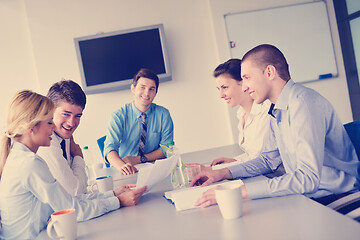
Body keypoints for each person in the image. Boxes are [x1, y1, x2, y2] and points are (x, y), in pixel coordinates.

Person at [191, 44, 360, 208]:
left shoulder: (303, 104)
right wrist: (222, 173)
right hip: (309, 195)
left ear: (269, 72)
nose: (245, 87)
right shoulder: (277, 108)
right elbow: (268, 160)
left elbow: (307, 178)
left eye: (247, 78)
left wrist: (239, 191)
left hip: (336, 196)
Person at [0, 90, 147, 239]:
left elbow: (68, 201)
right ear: (32, 128)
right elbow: (73, 209)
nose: (53, 127)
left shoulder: (20, 158)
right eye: (50, 122)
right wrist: (119, 202)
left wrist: (113, 194)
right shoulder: (29, 163)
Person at [194, 58, 271, 172]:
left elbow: (260, 161)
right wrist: (234, 161)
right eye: (218, 89)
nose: (221, 95)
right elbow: (251, 155)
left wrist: (215, 169)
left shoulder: (266, 112)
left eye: (225, 87)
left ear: (243, 82)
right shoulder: (241, 113)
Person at [104, 68, 174, 175]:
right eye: (142, 87)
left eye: (152, 89)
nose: (147, 93)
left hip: (154, 170)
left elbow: (166, 149)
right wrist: (123, 166)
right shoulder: (118, 116)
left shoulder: (163, 115)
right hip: (126, 170)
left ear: (156, 92)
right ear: (133, 88)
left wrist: (139, 159)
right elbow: (109, 149)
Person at [37, 80, 88, 196]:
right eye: (66, 114)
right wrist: (78, 156)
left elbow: (79, 188)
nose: (71, 123)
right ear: (50, 110)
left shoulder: (64, 135)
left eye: (77, 116)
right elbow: (75, 192)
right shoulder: (46, 141)